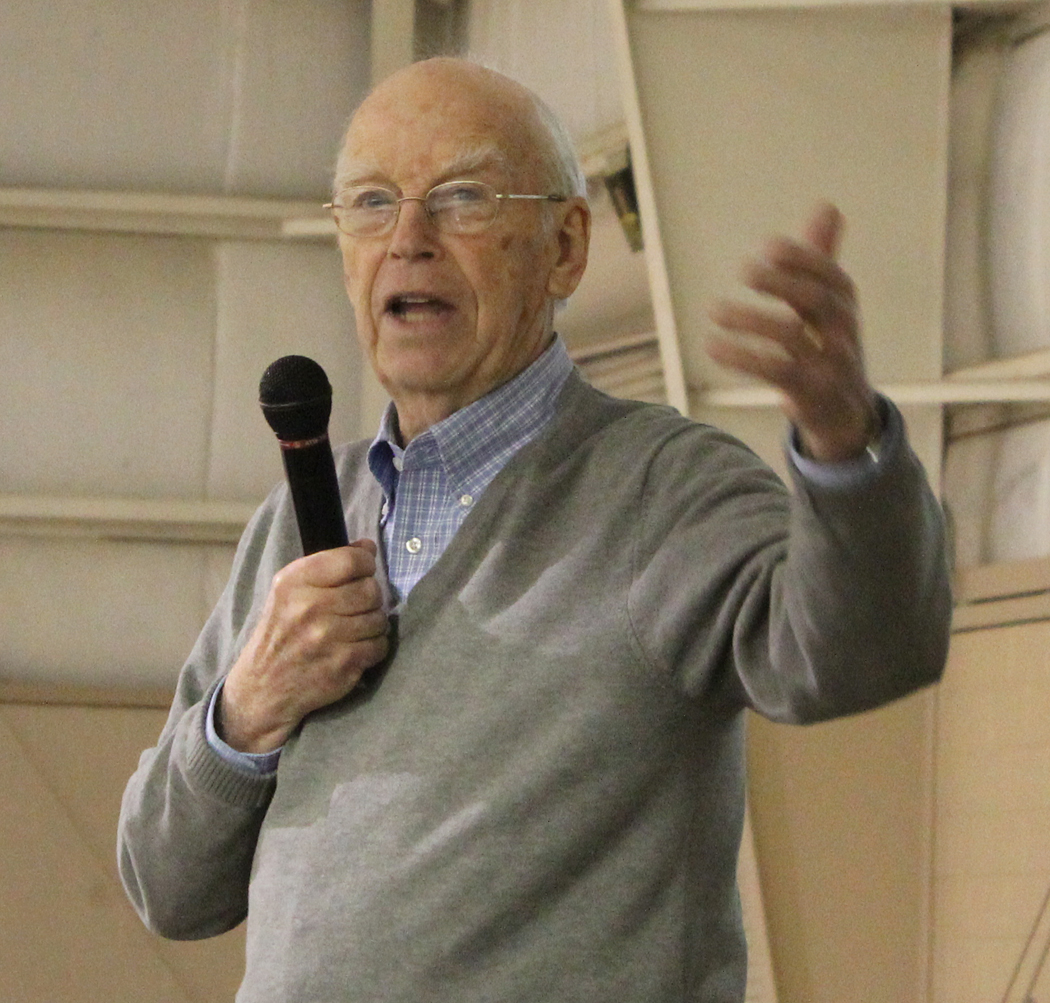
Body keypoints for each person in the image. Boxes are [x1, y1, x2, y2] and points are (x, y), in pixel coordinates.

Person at [118, 57, 952, 1003]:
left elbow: (868, 650)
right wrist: (247, 708)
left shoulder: (663, 490)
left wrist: (847, 446)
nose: (409, 241)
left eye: (462, 198)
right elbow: (167, 884)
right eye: (372, 203)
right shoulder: (295, 523)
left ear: (565, 247)